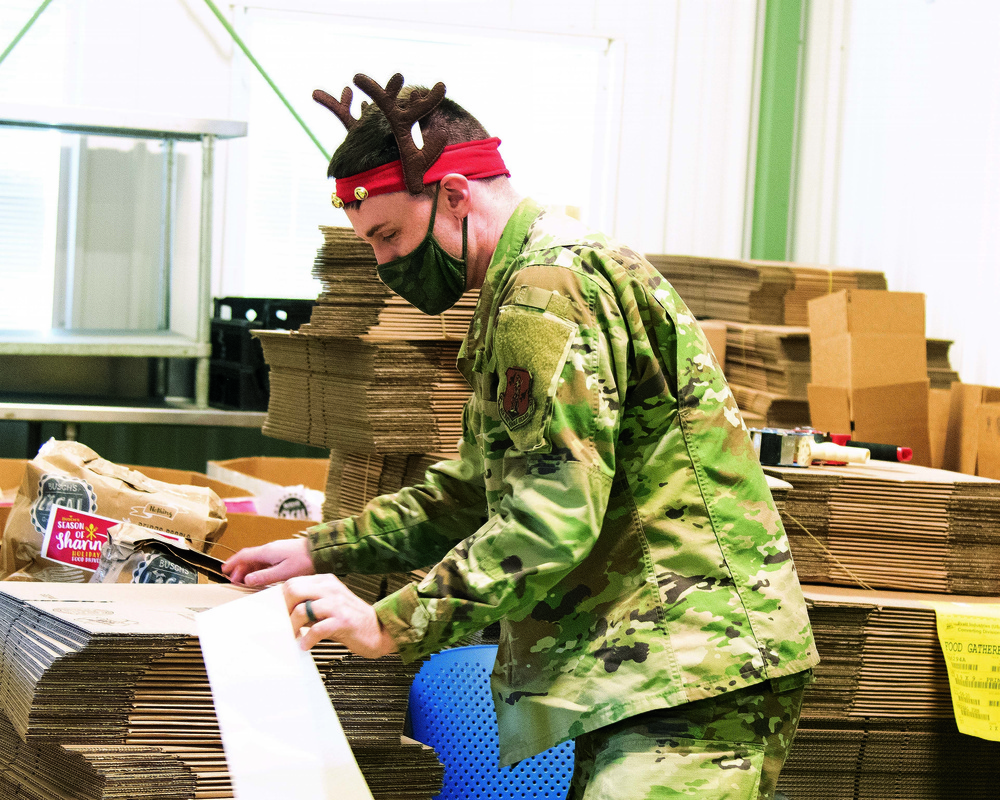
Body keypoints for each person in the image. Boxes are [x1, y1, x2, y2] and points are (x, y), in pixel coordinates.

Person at [222, 72, 820, 800]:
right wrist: (322, 547)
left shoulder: (546, 290)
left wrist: (391, 624)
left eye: (388, 236)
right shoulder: (528, 283)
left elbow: (547, 519)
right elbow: (481, 490)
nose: (383, 267)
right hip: (653, 664)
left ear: (453, 193)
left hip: (688, 662)